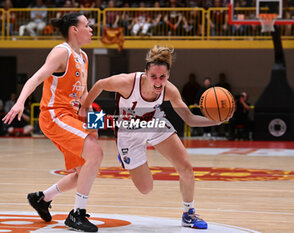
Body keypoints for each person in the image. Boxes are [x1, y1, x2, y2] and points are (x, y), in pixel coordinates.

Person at [79, 45, 231, 230]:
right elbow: (101, 84)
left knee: (186, 168)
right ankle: (125, 156)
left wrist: (215, 121)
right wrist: (84, 107)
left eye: (163, 77)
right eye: (153, 76)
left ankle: (188, 213)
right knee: (146, 188)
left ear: (168, 76)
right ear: (145, 73)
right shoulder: (127, 83)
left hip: (154, 123)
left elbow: (189, 119)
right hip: (128, 133)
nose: (158, 82)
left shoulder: (170, 90)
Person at [3, 12, 103, 232]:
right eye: (87, 25)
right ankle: (77, 215)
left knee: (82, 171)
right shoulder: (61, 52)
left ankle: (42, 198)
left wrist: (96, 117)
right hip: (55, 115)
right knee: (95, 152)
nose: (91, 29)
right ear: (74, 30)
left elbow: (84, 97)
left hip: (72, 116)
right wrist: (20, 102)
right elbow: (36, 78)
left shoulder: (83, 57)